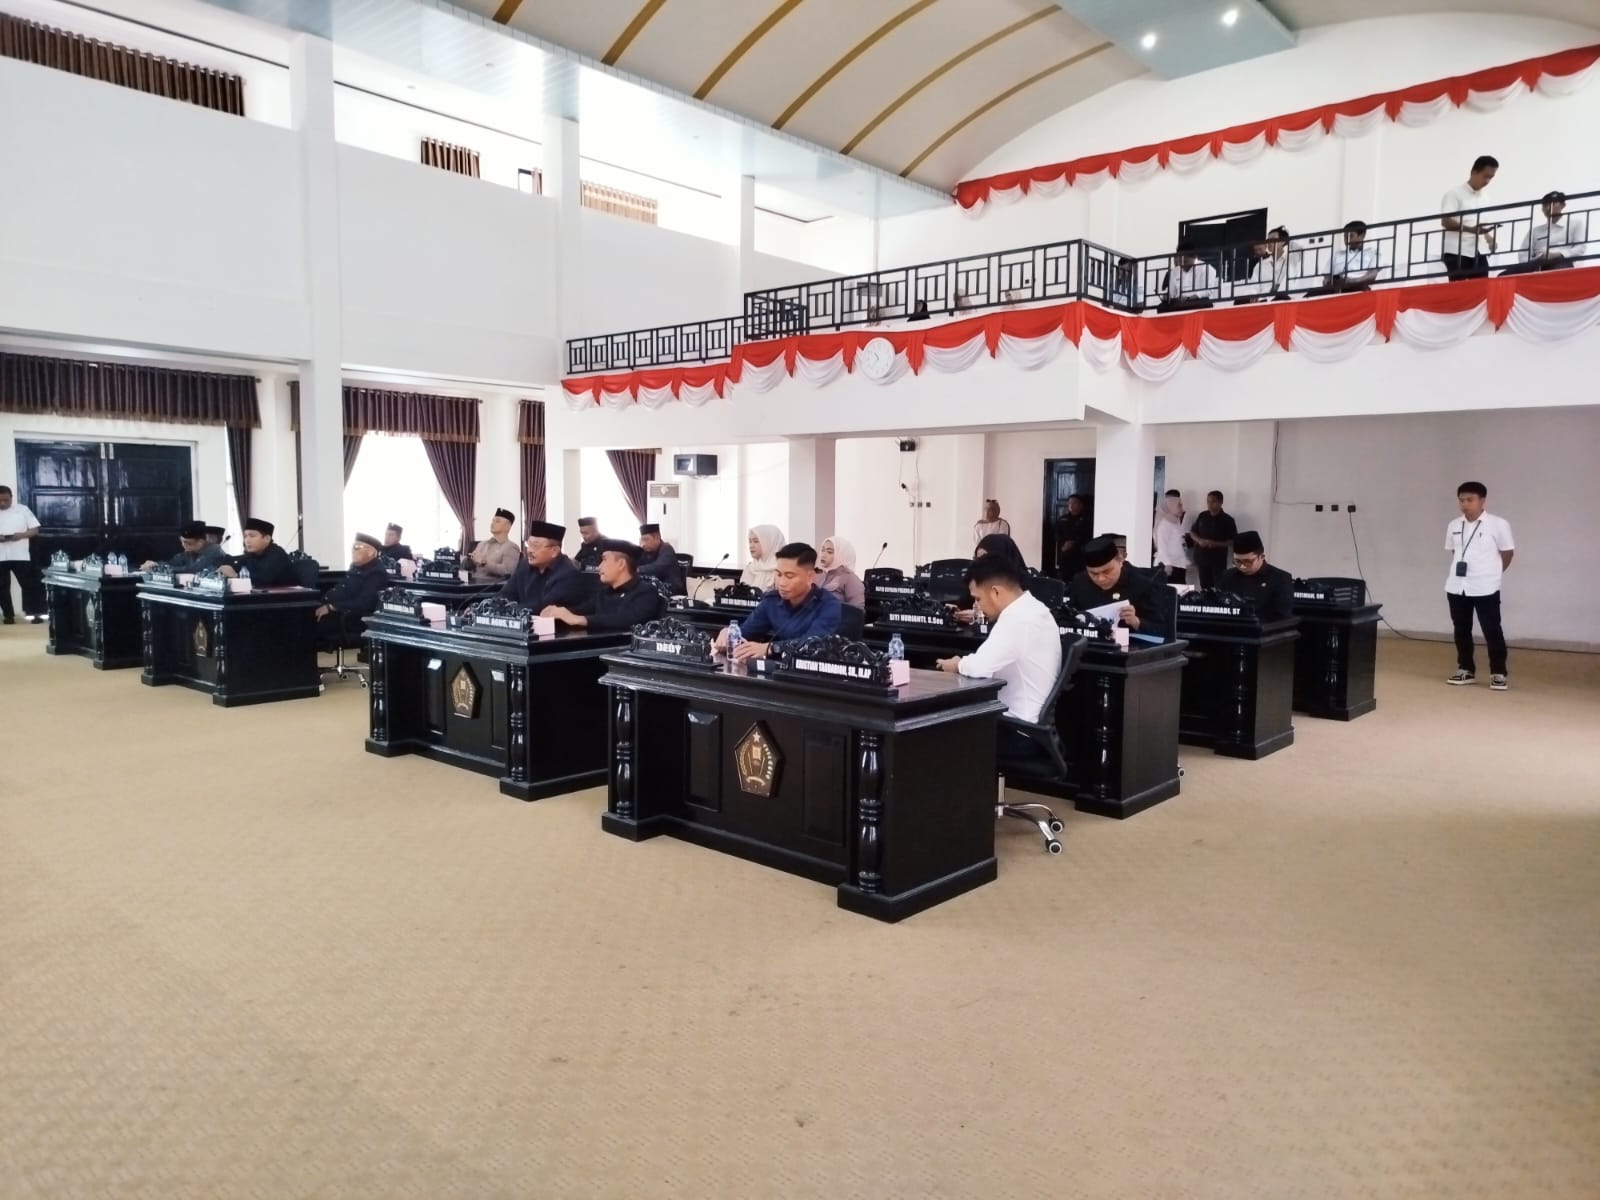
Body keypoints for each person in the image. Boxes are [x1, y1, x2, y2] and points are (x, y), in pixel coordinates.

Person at [936, 555, 1064, 775]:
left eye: (978, 599)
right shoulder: (1036, 609)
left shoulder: (1016, 619)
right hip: (1034, 729)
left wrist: (957, 664)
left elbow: (978, 667)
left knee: (934, 731)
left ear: (995, 592)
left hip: (1018, 732)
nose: (977, 606)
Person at [713, 542, 841, 661]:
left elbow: (812, 645)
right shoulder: (772, 601)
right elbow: (746, 633)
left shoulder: (828, 605)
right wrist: (729, 633)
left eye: (789, 576)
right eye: (778, 575)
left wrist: (771, 648)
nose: (781, 583)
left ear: (810, 577)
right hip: (779, 669)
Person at [1445, 481, 1514, 690]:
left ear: (1482, 500)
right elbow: (1455, 552)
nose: (1465, 504)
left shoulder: (1498, 524)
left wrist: (1493, 573)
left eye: (1470, 500)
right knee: (1461, 629)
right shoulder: (1454, 525)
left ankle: (1498, 673)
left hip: (1486, 587)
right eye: (1461, 500)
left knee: (1492, 629)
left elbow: (1507, 552)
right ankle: (1465, 669)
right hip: (1457, 586)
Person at [542, 539, 666, 633]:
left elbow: (626, 619)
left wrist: (580, 620)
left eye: (604, 560)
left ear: (621, 564)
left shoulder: (646, 592)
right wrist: (558, 613)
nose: (599, 566)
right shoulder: (604, 592)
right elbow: (582, 610)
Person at [1067, 536, 1162, 632]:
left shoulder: (1141, 584)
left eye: (1107, 571)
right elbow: (1069, 615)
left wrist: (1136, 621)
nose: (1101, 578)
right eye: (1094, 574)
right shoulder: (1080, 582)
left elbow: (1161, 628)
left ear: (1120, 561)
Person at [315, 533, 388, 646]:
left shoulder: (376, 573)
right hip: (336, 612)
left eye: (357, 547)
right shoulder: (355, 568)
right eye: (352, 547)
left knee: (306, 627)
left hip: (351, 619)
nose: (353, 551)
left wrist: (332, 607)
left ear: (371, 552)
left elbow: (364, 603)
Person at [501, 521, 587, 611]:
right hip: (520, 616)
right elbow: (506, 594)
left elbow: (543, 607)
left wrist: (508, 610)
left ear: (554, 551)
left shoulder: (568, 574)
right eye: (529, 544)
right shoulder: (525, 565)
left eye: (535, 546)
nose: (529, 550)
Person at [1440, 155, 1499, 280]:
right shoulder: (1454, 193)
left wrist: (1489, 239)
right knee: (1459, 289)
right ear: (1474, 172)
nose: (1487, 181)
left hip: (1479, 251)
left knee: (1482, 288)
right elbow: (1445, 221)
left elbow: (1482, 225)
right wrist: (1470, 229)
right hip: (1457, 251)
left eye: (1491, 178)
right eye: (1485, 176)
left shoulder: (1485, 197)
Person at [1217, 531, 1294, 622]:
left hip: (1265, 628)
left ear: (1262, 557)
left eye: (1247, 561)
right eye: (1237, 561)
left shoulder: (1280, 579)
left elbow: (1282, 618)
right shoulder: (1228, 576)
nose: (1242, 566)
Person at [1505, 190, 1588, 274]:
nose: (1548, 207)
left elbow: (1580, 248)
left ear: (1563, 205)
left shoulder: (1575, 224)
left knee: (1556, 270)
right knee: (1504, 274)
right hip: (1537, 264)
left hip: (1561, 262)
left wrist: (1558, 254)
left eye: (1553, 203)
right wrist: (1530, 267)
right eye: (1545, 205)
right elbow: (1523, 254)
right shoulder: (1535, 231)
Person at [953, 532, 1028, 624]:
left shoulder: (1023, 587)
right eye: (977, 559)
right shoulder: (977, 581)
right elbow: (964, 604)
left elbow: (1015, 617)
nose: (980, 565)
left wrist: (980, 616)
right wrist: (956, 612)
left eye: (985, 559)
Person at [0, 484, 44, 625]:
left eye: (6, 500)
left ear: (11, 497)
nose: (3, 503)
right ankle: (8, 616)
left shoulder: (22, 510)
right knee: (2, 587)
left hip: (21, 555)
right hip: (1, 556)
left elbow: (35, 530)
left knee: (29, 585)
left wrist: (21, 535)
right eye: (0, 501)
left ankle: (35, 614)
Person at [218, 518, 297, 586]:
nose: (247, 540)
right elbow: (237, 561)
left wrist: (235, 576)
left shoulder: (277, 554)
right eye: (245, 536)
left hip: (286, 598)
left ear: (267, 539)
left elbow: (261, 580)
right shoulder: (254, 554)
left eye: (252, 536)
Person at [1187, 491, 1238, 590]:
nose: (1210, 504)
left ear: (1221, 502)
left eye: (1213, 501)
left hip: (1218, 560)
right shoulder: (1202, 515)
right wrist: (1199, 540)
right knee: (1204, 587)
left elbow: (1232, 541)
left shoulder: (1228, 520)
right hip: (1202, 558)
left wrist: (1215, 544)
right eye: (1208, 501)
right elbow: (1192, 532)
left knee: (1219, 587)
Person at [1314, 221, 1380, 293]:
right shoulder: (1338, 254)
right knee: (1310, 295)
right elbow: (1326, 276)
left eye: (1351, 236)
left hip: (1358, 287)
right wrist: (1327, 282)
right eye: (1345, 237)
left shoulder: (1372, 252)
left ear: (1362, 236)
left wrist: (1354, 281)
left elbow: (1372, 275)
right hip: (1337, 286)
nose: (1347, 240)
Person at [140, 520, 225, 574]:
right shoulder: (190, 552)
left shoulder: (214, 550)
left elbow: (193, 570)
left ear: (200, 542)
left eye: (187, 543)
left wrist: (158, 568)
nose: (183, 545)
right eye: (182, 542)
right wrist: (155, 564)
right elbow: (172, 563)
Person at [1236, 226, 1292, 303]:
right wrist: (1253, 294)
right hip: (1264, 301)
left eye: (1272, 240)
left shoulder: (1292, 260)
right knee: (1238, 302)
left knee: (1281, 297)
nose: (1269, 243)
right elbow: (1253, 286)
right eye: (1268, 240)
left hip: (1283, 300)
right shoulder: (1261, 265)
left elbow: (1299, 247)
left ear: (1282, 241)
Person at [1159, 241, 1217, 311]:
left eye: (1185, 261)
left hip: (1198, 301)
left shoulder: (1206, 268)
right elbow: (1172, 294)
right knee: (1162, 307)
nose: (1182, 264)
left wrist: (1189, 298)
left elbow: (1208, 291)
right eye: (1180, 261)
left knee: (1204, 302)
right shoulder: (1174, 272)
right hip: (1179, 303)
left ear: (1194, 257)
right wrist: (1167, 297)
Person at [468, 508, 520, 583]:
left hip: (491, 588)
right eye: (492, 521)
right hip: (471, 584)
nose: (492, 523)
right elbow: (472, 568)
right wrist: (470, 560)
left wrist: (483, 563)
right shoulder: (482, 544)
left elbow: (507, 571)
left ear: (508, 526)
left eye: (497, 521)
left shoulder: (511, 547)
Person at [817, 535, 865, 610]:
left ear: (841, 555)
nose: (823, 555)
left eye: (829, 552)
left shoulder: (850, 578)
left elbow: (858, 611)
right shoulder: (820, 575)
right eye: (822, 550)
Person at [637, 524, 685, 594]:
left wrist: (637, 569)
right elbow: (636, 563)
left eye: (646, 540)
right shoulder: (646, 551)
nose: (643, 544)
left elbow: (658, 568)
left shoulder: (667, 548)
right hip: (654, 586)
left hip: (671, 588)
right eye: (642, 540)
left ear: (657, 537)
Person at [1153, 490, 1189, 582]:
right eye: (1179, 506)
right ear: (1172, 507)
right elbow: (1161, 546)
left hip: (1178, 564)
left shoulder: (1175, 521)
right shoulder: (1164, 524)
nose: (1182, 508)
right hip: (1169, 566)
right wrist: (1167, 564)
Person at [1055, 494, 1093, 580]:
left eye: (1074, 503)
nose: (1071, 506)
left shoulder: (1087, 520)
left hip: (1080, 555)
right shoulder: (1063, 519)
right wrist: (1063, 545)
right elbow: (1057, 534)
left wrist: (1074, 543)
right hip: (1065, 554)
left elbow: (1087, 536)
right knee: (1064, 578)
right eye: (1069, 503)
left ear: (1081, 505)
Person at [740, 525, 787, 590]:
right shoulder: (751, 568)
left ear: (770, 543)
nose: (751, 546)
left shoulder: (781, 570)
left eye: (756, 541)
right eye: (750, 541)